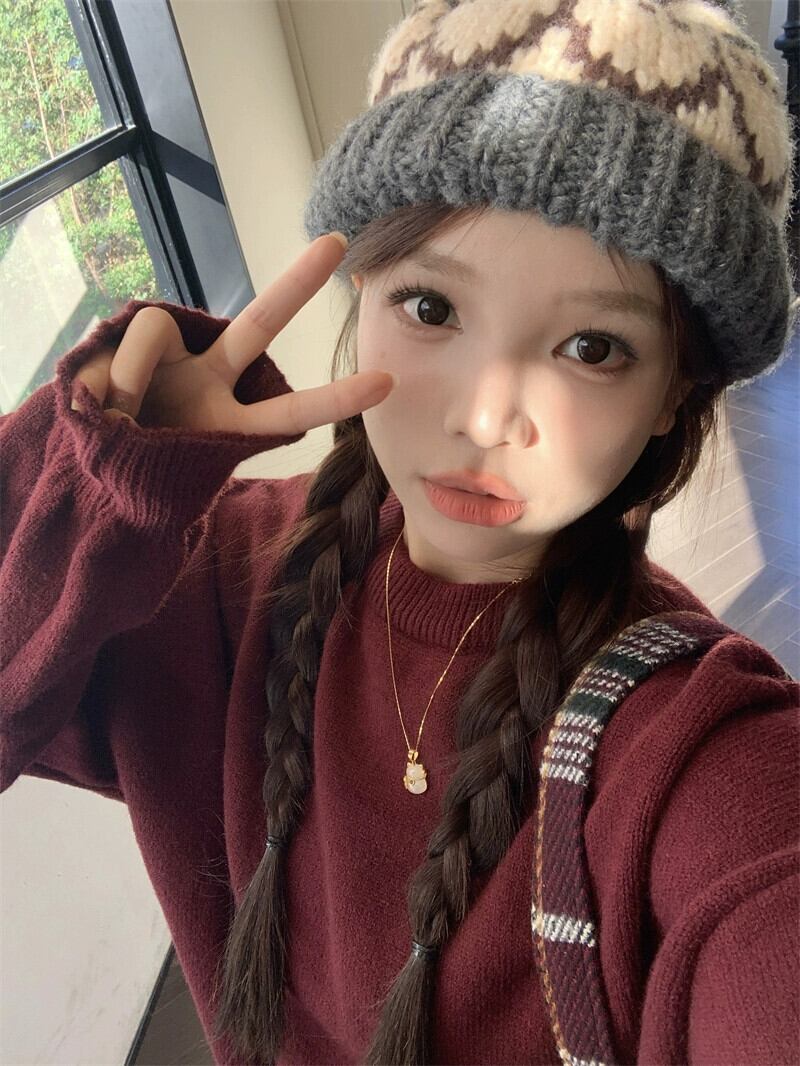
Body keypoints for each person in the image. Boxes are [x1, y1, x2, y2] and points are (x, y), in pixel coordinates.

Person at [1, 0, 798, 1063]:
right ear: (362, 287)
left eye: (593, 347)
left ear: (671, 396)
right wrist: (92, 484)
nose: (485, 417)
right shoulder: (205, 577)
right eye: (430, 308)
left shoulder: (698, 748)